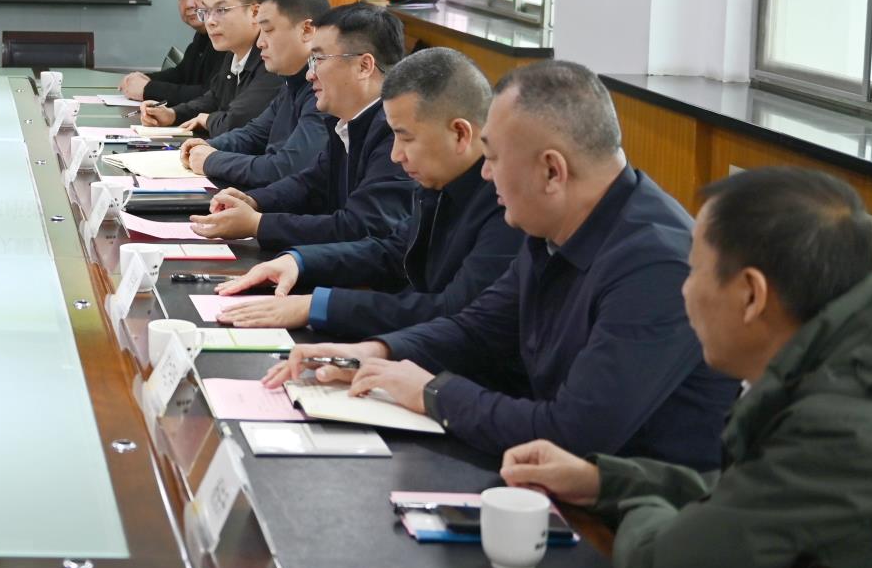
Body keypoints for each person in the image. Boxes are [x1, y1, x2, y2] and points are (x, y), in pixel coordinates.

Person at [500, 167, 872, 568]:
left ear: (751, 295)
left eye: (694, 271)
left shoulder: (842, 430)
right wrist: (605, 481)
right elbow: (759, 495)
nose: (684, 290)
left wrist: (642, 510)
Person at [270, 60, 738, 465]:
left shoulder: (657, 267)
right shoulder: (551, 221)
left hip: (627, 515)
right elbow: (477, 327)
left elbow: (573, 434)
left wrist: (432, 393)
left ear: (552, 171)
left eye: (493, 157)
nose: (486, 172)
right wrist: (378, 352)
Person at [214, 47, 520, 335]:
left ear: (460, 133)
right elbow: (392, 251)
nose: (396, 155)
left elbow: (453, 311)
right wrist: (298, 261)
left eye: (406, 138)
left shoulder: (508, 206)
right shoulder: (440, 179)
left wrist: (319, 306)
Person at [188, 3, 415, 255]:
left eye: (318, 59)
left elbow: (361, 227)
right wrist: (254, 200)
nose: (310, 74)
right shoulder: (348, 121)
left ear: (364, 66)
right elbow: (313, 182)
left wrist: (258, 224)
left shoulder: (397, 133)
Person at [180, 0, 332, 187]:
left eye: (268, 30)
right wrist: (209, 145)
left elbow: (287, 168)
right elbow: (255, 134)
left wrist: (211, 160)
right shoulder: (292, 81)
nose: (260, 43)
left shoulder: (326, 89)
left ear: (307, 30)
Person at [137, 0, 282, 139]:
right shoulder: (233, 52)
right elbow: (213, 99)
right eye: (206, 11)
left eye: (221, 10)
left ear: (254, 12)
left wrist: (208, 120)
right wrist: (172, 114)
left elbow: (237, 121)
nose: (210, 21)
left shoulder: (273, 59)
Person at [118, 0, 222, 103]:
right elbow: (181, 74)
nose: (189, 4)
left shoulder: (228, 39)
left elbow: (211, 95)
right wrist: (144, 79)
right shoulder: (202, 35)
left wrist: (147, 89)